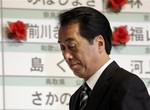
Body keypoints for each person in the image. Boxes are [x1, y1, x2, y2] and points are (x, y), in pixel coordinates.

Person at [58, 6, 150, 110]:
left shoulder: (127, 85)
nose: (66, 56)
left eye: (72, 46)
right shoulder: (76, 98)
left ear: (99, 43)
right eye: (62, 48)